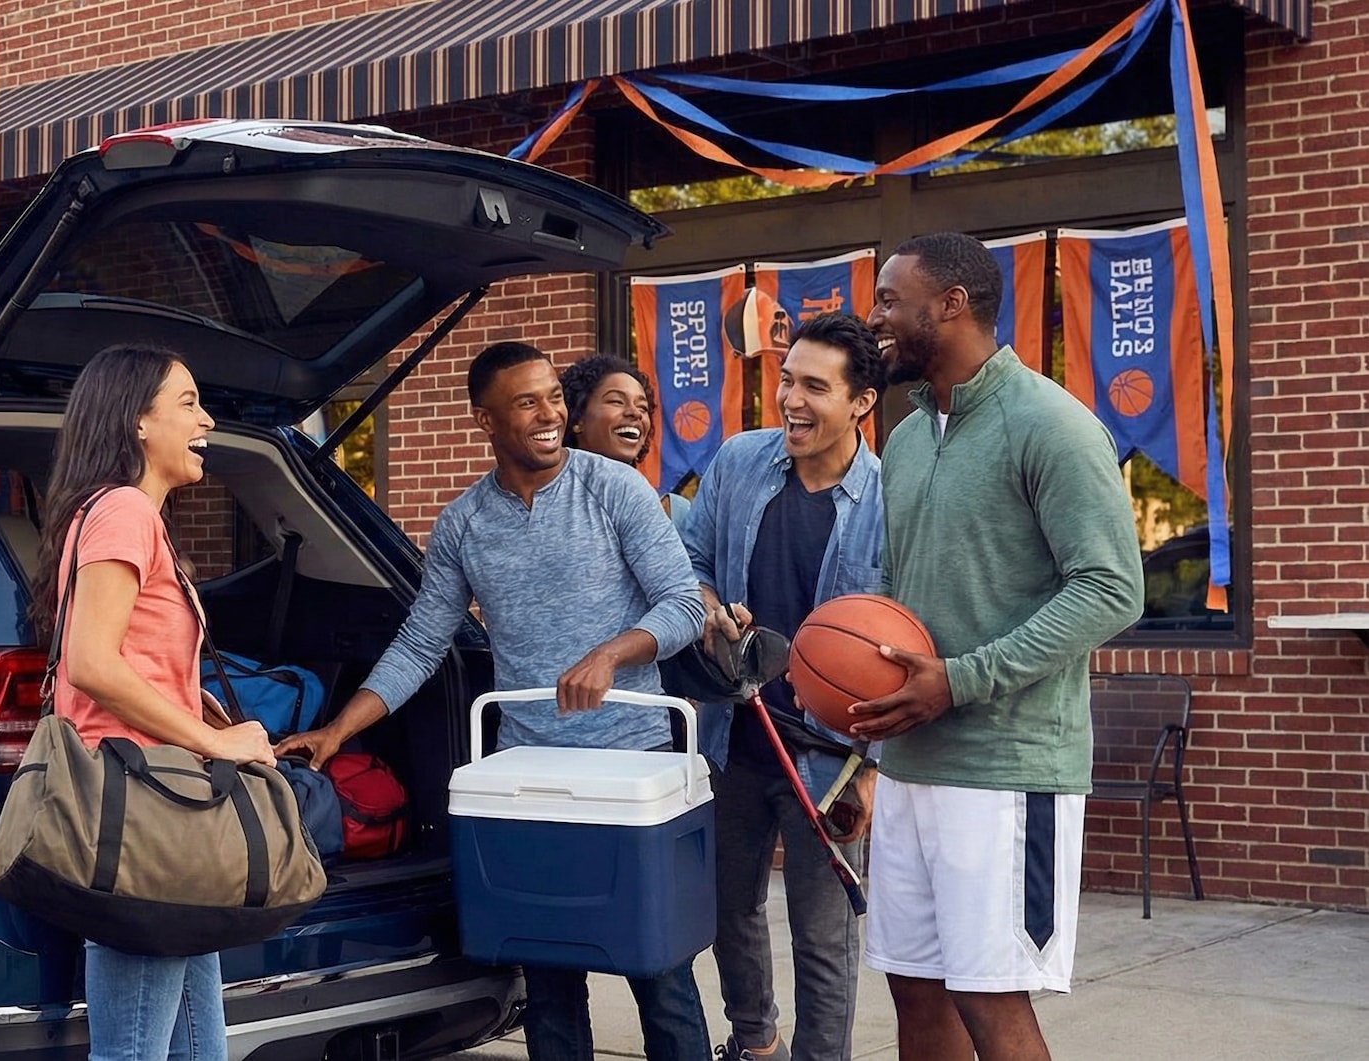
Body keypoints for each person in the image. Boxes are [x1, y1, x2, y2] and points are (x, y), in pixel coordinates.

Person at [275, 341, 711, 1061]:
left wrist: (611, 651)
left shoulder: (615, 489)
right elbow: (421, 643)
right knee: (549, 975)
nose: (550, 414)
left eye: (554, 397)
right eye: (527, 402)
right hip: (527, 778)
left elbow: (681, 607)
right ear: (485, 419)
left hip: (632, 770)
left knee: (658, 970)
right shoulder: (464, 523)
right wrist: (337, 730)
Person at [855, 234, 1141, 1061]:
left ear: (949, 304)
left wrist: (964, 678)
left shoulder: (1051, 425)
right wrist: (854, 711)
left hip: (1009, 768)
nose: (874, 317)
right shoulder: (905, 439)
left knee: (990, 997)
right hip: (912, 762)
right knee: (915, 987)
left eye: (889, 298)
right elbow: (893, 601)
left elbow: (1112, 587)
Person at [32, 344, 278, 1061]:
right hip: (136, 811)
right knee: (134, 1052)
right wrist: (214, 741)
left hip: (162, 806)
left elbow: (127, 658)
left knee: (199, 1051)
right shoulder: (124, 512)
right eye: (188, 402)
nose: (206, 419)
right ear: (139, 421)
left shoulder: (129, 516)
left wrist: (204, 708)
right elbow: (91, 662)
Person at [678, 313, 889, 1061]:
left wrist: (870, 771)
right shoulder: (738, 461)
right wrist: (708, 611)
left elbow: (898, 647)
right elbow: (689, 564)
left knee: (823, 934)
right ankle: (755, 1038)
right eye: (786, 378)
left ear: (861, 402)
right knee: (727, 908)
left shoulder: (889, 504)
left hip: (830, 759)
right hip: (734, 736)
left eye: (814, 386)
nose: (790, 399)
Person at [559, 352, 689, 527]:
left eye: (642, 407)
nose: (635, 413)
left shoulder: (675, 512)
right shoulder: (545, 507)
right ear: (578, 418)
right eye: (616, 401)